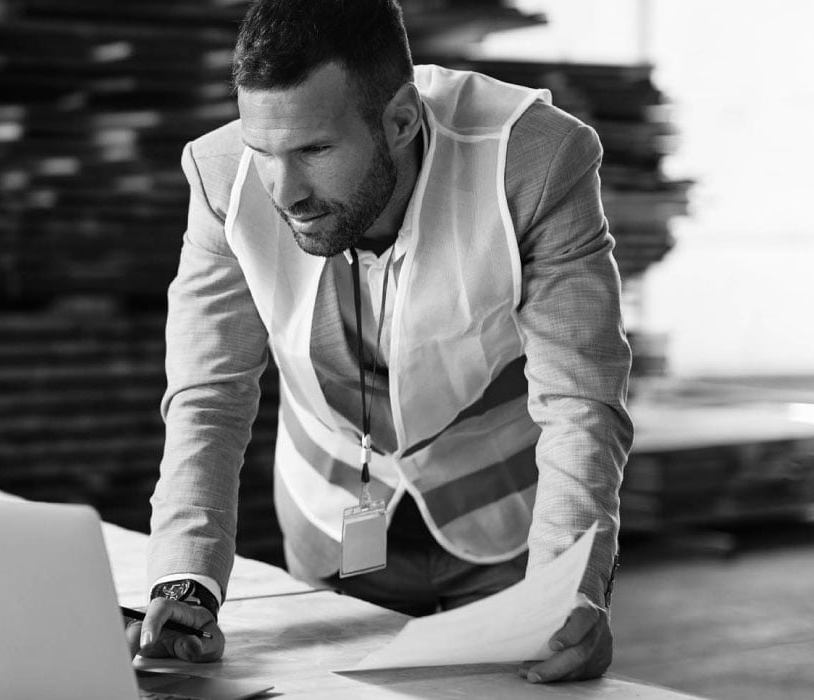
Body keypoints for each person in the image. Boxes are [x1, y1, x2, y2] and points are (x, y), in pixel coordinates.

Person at [126, 0, 632, 684]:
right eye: (263, 150)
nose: (284, 191)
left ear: (399, 121)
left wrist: (566, 589)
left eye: (313, 150)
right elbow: (207, 398)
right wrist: (183, 581)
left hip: (507, 516)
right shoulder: (222, 178)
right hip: (329, 515)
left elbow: (580, 400)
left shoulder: (536, 162)